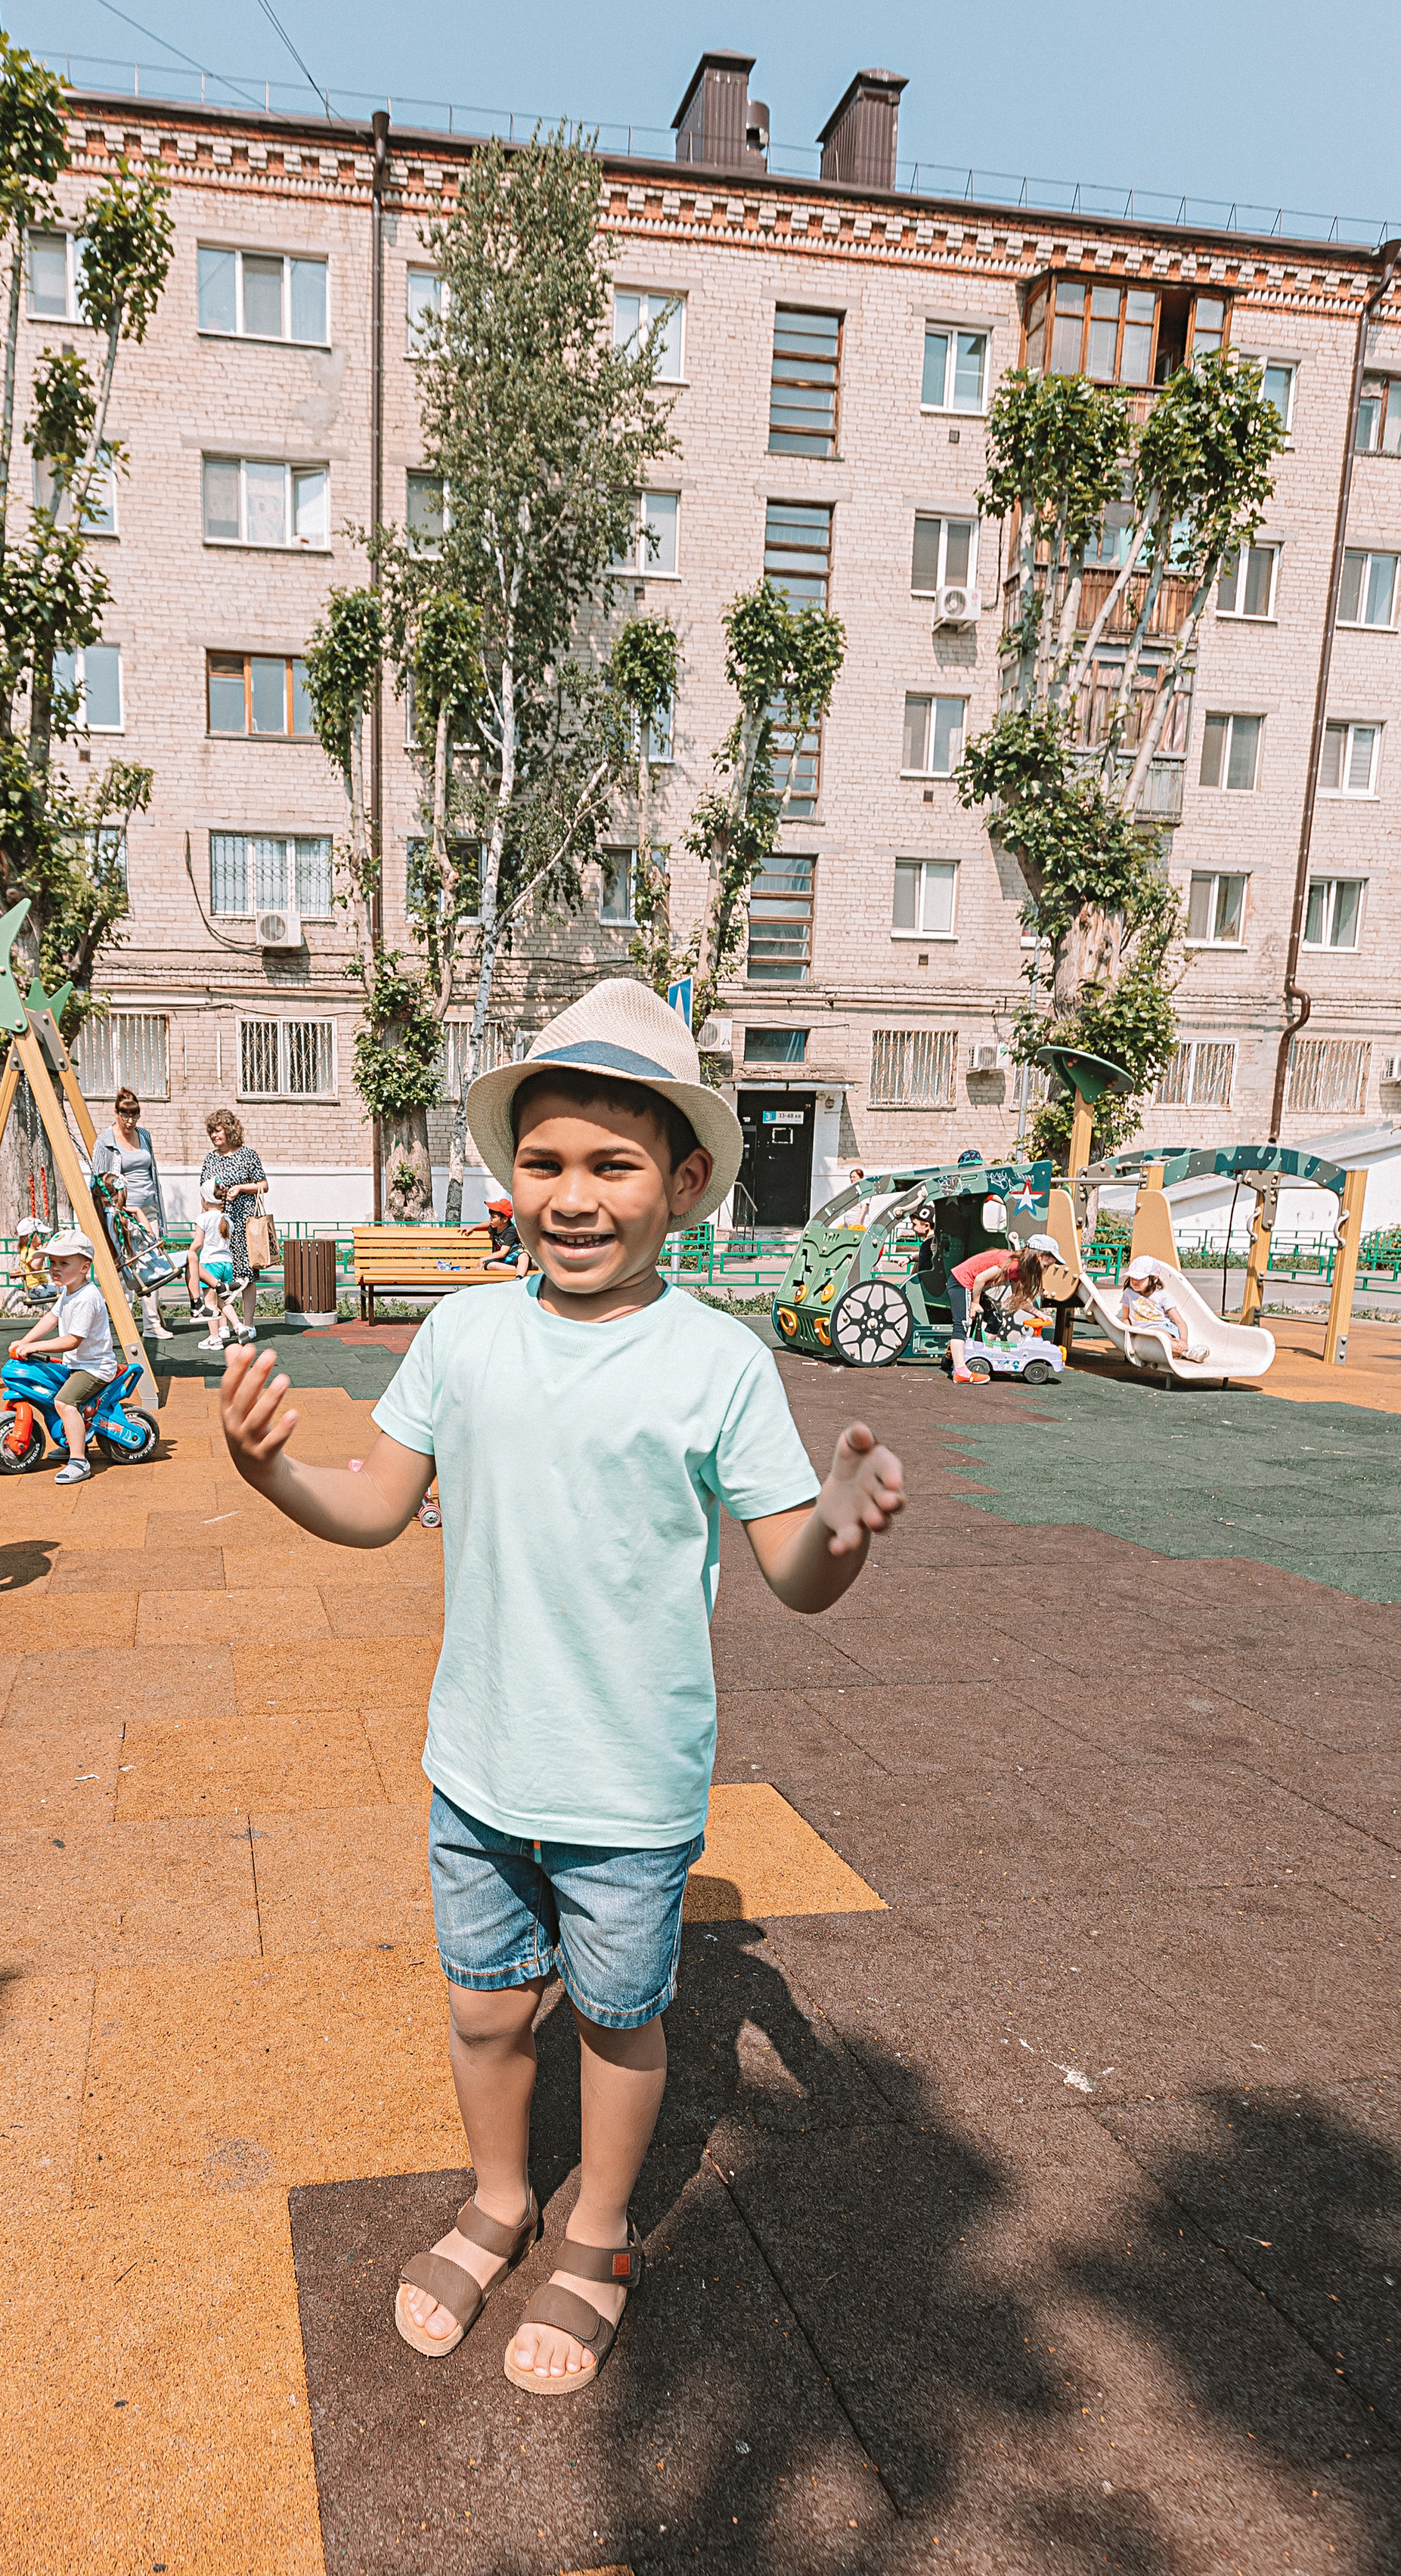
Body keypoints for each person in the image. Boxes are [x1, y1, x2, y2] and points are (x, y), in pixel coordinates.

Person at [220, 977, 904, 2398]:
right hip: (477, 1761)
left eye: (613, 1164)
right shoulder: (466, 1339)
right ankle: (496, 2197)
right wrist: (274, 1472)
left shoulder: (718, 1362)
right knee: (482, 2008)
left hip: (627, 1783)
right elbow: (373, 1502)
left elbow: (792, 1573)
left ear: (686, 1182)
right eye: (545, 1163)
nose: (574, 1196)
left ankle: (595, 2230)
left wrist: (837, 1523)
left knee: (614, 2017)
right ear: (508, 1178)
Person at [9, 1228, 117, 1484]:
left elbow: (72, 1340)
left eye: (64, 1263)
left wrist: (36, 1348)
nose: (55, 1268)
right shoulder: (69, 1291)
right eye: (52, 1262)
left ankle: (79, 1461)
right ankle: (71, 1440)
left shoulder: (87, 1298)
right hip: (77, 1365)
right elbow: (51, 1318)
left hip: (94, 1368)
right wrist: (26, 1341)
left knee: (65, 1402)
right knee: (50, 1392)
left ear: (84, 1266)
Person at [91, 1088, 168, 1340]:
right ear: (116, 1113)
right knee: (125, 1268)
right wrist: (113, 1209)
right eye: (125, 1115)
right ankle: (123, 1325)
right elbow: (99, 1181)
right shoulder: (106, 1140)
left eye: (134, 1115)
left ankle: (152, 1325)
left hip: (149, 1208)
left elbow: (151, 1171)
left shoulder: (144, 1136)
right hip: (123, 1212)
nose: (130, 1121)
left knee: (152, 1264)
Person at [200, 1109, 268, 1339]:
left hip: (245, 1224)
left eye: (217, 1130)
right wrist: (204, 1225)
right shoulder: (211, 1159)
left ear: (229, 1130)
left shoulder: (248, 1155)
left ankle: (249, 1324)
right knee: (219, 1277)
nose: (213, 1135)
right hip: (220, 1226)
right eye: (211, 1131)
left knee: (246, 1276)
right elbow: (204, 1192)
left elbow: (264, 1185)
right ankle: (222, 1325)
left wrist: (240, 1188)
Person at [946, 1240, 1043, 1384]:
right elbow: (979, 1279)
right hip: (961, 1283)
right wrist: (975, 1303)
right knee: (963, 1323)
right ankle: (960, 1371)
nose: (1046, 1268)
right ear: (1038, 1258)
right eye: (1046, 1264)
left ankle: (984, 1358)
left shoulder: (1018, 1268)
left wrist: (1039, 1314)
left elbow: (1018, 1298)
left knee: (995, 1321)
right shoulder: (1011, 1264)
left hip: (971, 1286)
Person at [1120, 1255, 1207, 1362]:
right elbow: (1126, 1318)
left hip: (1162, 1328)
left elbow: (1179, 1321)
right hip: (1143, 1331)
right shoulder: (1128, 1293)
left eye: (1140, 1278)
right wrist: (1130, 1332)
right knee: (1170, 1353)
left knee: (1161, 1337)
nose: (1135, 1281)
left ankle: (1187, 1350)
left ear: (1155, 1279)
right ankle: (1186, 1352)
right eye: (1133, 1277)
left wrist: (1184, 1340)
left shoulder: (1162, 1297)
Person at [191, 1189, 246, 1353]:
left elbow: (198, 1243)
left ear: (205, 1200)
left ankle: (215, 1338)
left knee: (210, 1303)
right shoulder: (227, 1219)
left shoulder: (203, 1218)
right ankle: (238, 1325)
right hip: (227, 1264)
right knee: (224, 1301)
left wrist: (189, 1254)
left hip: (210, 1264)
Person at [482, 1191, 528, 1276]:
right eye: (490, 1217)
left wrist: (483, 1259)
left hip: (512, 1255)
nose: (490, 1219)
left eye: (493, 1217)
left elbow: (503, 1252)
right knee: (490, 1265)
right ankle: (520, 1268)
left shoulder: (511, 1230)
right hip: (500, 1261)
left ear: (504, 1219)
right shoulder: (494, 1226)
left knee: (524, 1256)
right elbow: (486, 1224)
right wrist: (473, 1228)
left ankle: (519, 1277)